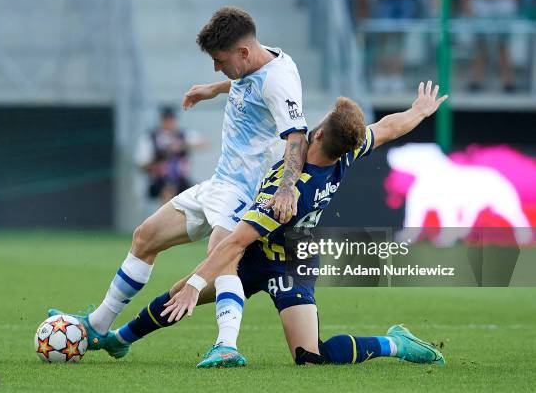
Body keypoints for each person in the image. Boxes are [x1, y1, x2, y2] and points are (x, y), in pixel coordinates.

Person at [101, 81, 447, 368]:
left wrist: (194, 282)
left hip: (288, 262)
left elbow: (234, 243)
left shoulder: (286, 193)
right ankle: (117, 340)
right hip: (269, 252)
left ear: (321, 131)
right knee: (180, 294)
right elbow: (386, 128)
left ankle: (395, 343)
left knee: (310, 357)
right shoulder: (346, 152)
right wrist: (419, 110)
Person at [48, 6, 309, 365]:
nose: (217, 67)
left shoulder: (279, 81)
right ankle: (97, 325)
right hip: (219, 183)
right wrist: (213, 89)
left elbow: (297, 136)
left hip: (246, 190)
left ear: (243, 52)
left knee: (224, 257)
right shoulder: (258, 59)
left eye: (219, 60)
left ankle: (227, 346)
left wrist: (285, 188)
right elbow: (244, 83)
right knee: (145, 237)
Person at [135, 105, 205, 205]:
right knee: (167, 194)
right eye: (166, 119)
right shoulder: (150, 138)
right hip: (160, 181)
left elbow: (202, 143)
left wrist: (182, 145)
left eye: (171, 119)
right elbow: (141, 164)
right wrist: (159, 162)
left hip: (181, 180)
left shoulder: (183, 135)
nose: (169, 122)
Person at [461, 0, 520, 91]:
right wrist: (467, 1)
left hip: (504, 1)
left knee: (503, 43)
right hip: (480, 1)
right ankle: (476, 79)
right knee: (480, 43)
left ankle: (508, 80)